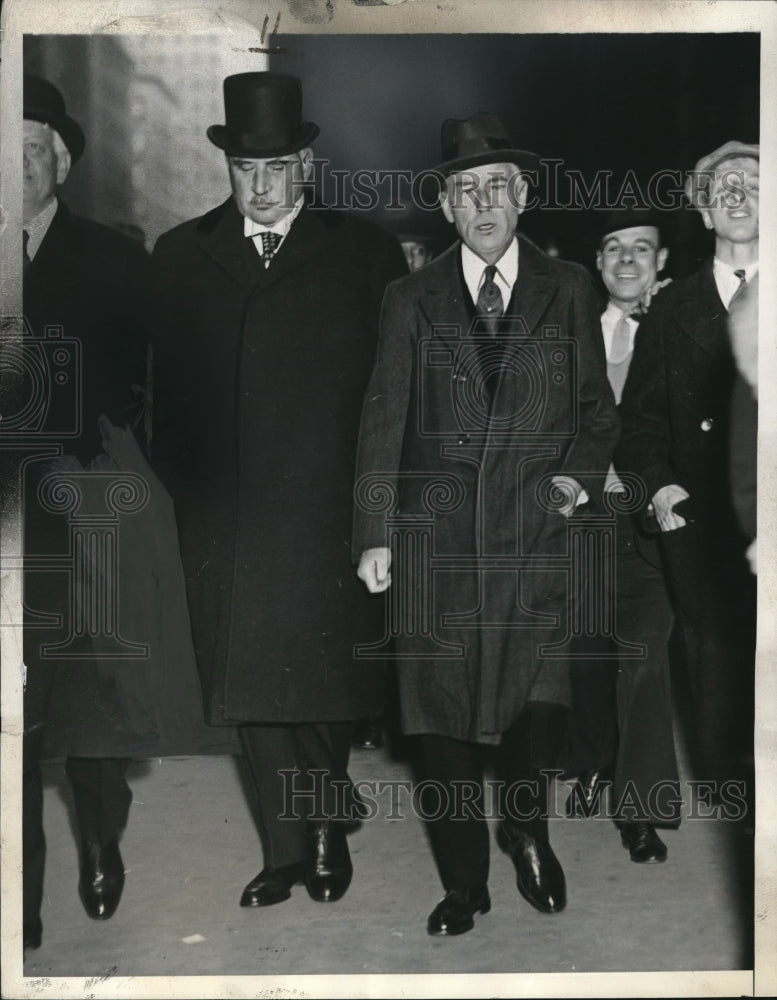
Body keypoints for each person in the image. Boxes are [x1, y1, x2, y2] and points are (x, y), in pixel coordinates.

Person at [353, 113, 618, 935]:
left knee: (533, 706)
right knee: (439, 718)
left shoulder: (569, 286)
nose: (484, 203)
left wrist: (574, 484)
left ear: (524, 196)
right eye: (466, 190)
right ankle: (463, 882)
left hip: (533, 536)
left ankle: (527, 830)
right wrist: (372, 533)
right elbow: (382, 418)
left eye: (498, 186)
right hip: (437, 545)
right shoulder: (408, 297)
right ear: (444, 205)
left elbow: (595, 414)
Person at [151, 72, 407, 909]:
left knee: (323, 681)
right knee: (250, 689)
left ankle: (328, 828)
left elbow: (389, 387)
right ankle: (286, 849)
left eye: (277, 168)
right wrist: (186, 484)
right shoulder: (182, 252)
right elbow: (161, 389)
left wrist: (376, 504)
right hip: (225, 514)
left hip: (326, 508)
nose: (260, 188)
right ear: (225, 169)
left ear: (306, 163)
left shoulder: (362, 251)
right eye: (243, 170)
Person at [21, 74, 150, 950]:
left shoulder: (110, 258)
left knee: (90, 687)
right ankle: (17, 893)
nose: (11, 167)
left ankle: (100, 837)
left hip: (79, 501)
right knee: (13, 703)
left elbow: (143, 384)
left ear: (59, 162)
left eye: (29, 150)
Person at [616, 141, 758, 793]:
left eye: (753, 183)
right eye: (721, 186)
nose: (736, 195)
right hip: (701, 528)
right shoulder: (671, 310)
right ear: (702, 214)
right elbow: (638, 423)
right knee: (719, 682)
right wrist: (660, 489)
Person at [564, 210, 681, 862]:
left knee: (644, 663)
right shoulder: (573, 334)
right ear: (598, 262)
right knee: (583, 656)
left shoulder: (683, 332)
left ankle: (639, 808)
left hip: (651, 527)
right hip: (582, 521)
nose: (627, 260)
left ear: (661, 263)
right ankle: (588, 764)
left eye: (642, 249)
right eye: (614, 249)